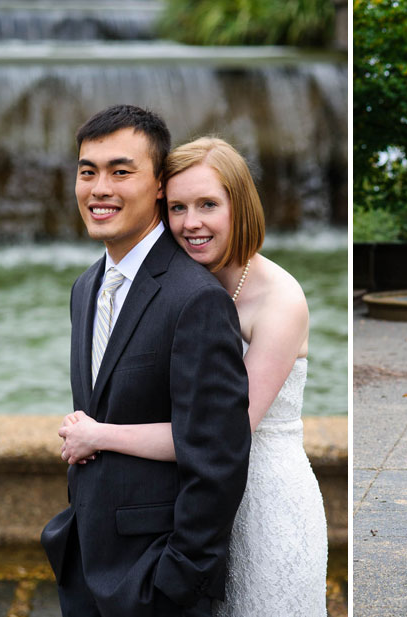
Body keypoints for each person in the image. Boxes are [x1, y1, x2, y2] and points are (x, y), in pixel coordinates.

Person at [58, 136, 328, 615]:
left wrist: (100, 435)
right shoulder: (170, 285)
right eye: (178, 207)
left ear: (239, 206)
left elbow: (223, 434)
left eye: (208, 204)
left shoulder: (280, 300)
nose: (191, 223)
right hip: (184, 508)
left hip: (265, 504)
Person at [40, 106, 251, 617]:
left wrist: (176, 580)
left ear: (159, 185)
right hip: (86, 565)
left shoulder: (195, 298)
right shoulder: (86, 286)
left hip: (156, 583)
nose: (98, 188)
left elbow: (218, 456)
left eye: (120, 171)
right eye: (88, 171)